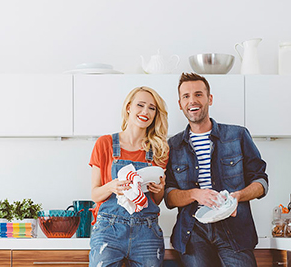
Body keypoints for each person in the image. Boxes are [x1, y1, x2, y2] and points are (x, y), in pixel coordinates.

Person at [165, 73, 269, 267]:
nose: (192, 100)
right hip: (192, 231)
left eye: (198, 94)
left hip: (235, 228)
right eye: (186, 96)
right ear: (180, 103)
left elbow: (261, 183)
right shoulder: (173, 145)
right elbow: (169, 197)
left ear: (209, 99)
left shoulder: (237, 135)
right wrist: (196, 194)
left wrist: (238, 196)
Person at [89, 86, 170, 267]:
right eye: (140, 105)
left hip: (147, 231)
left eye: (152, 108)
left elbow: (156, 200)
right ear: (128, 108)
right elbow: (94, 194)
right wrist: (112, 186)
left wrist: (160, 189)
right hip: (109, 229)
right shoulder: (105, 143)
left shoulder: (159, 149)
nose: (145, 111)